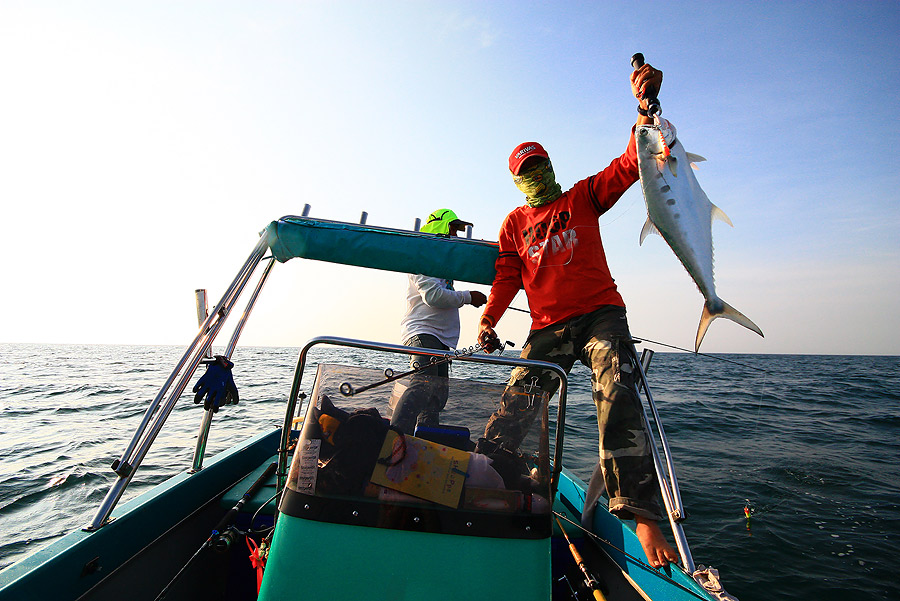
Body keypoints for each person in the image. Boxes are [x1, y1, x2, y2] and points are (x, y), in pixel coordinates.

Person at [475, 63, 679, 568]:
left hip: (600, 315)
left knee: (616, 389)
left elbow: (632, 163)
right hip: (546, 329)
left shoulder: (583, 196)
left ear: (549, 164)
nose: (534, 174)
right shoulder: (514, 225)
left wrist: (644, 107)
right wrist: (489, 321)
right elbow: (505, 279)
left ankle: (643, 514)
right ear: (516, 180)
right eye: (525, 171)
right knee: (512, 408)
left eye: (539, 164)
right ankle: (488, 479)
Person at [391, 209, 487, 434]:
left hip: (441, 340)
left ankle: (423, 443)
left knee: (436, 397)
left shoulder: (442, 264)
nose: (457, 234)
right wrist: (468, 296)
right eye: (454, 228)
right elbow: (433, 296)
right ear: (442, 227)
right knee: (422, 386)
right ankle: (393, 441)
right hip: (423, 333)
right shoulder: (422, 257)